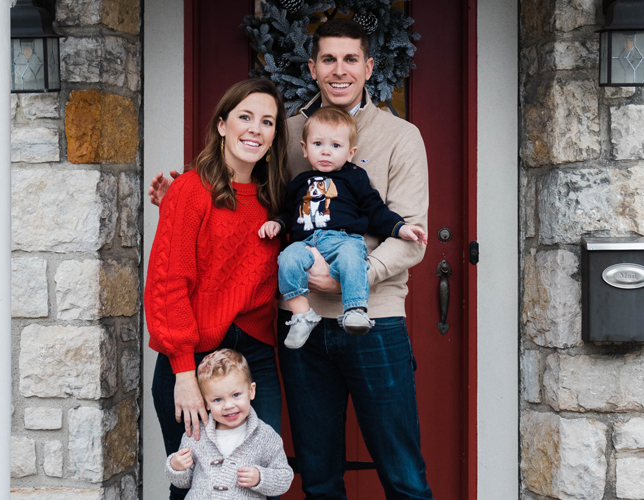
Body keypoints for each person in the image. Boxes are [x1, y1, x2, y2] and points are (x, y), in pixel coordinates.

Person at [150, 18, 433, 500]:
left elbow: (411, 236)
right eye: (328, 59)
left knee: (403, 473)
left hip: (373, 320)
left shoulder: (400, 136)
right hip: (300, 328)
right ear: (313, 67)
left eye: (350, 59)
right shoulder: (289, 131)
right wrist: (182, 199)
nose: (339, 70)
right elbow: (254, 205)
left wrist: (351, 278)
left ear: (369, 67)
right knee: (315, 476)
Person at [145, 78, 290, 500]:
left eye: (267, 122)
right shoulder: (190, 190)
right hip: (193, 358)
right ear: (223, 125)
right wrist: (184, 373)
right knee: (193, 481)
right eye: (245, 117)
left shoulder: (275, 198)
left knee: (258, 482)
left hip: (255, 357)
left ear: (274, 135)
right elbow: (169, 284)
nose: (255, 129)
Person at [259, 106, 427, 348]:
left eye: (336, 146)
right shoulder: (298, 183)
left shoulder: (355, 177)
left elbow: (375, 210)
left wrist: (401, 228)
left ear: (351, 152)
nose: (326, 151)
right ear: (304, 149)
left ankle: (355, 309)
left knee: (352, 258)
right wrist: (277, 224)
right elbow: (289, 213)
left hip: (342, 239)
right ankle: (302, 315)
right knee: (287, 259)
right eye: (318, 144)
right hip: (305, 243)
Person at [166, 349, 293, 499]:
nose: (228, 406)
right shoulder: (196, 435)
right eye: (217, 399)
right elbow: (184, 482)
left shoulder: (265, 436)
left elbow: (284, 477)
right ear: (206, 403)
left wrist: (260, 477)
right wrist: (176, 467)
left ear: (251, 391)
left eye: (236, 395)